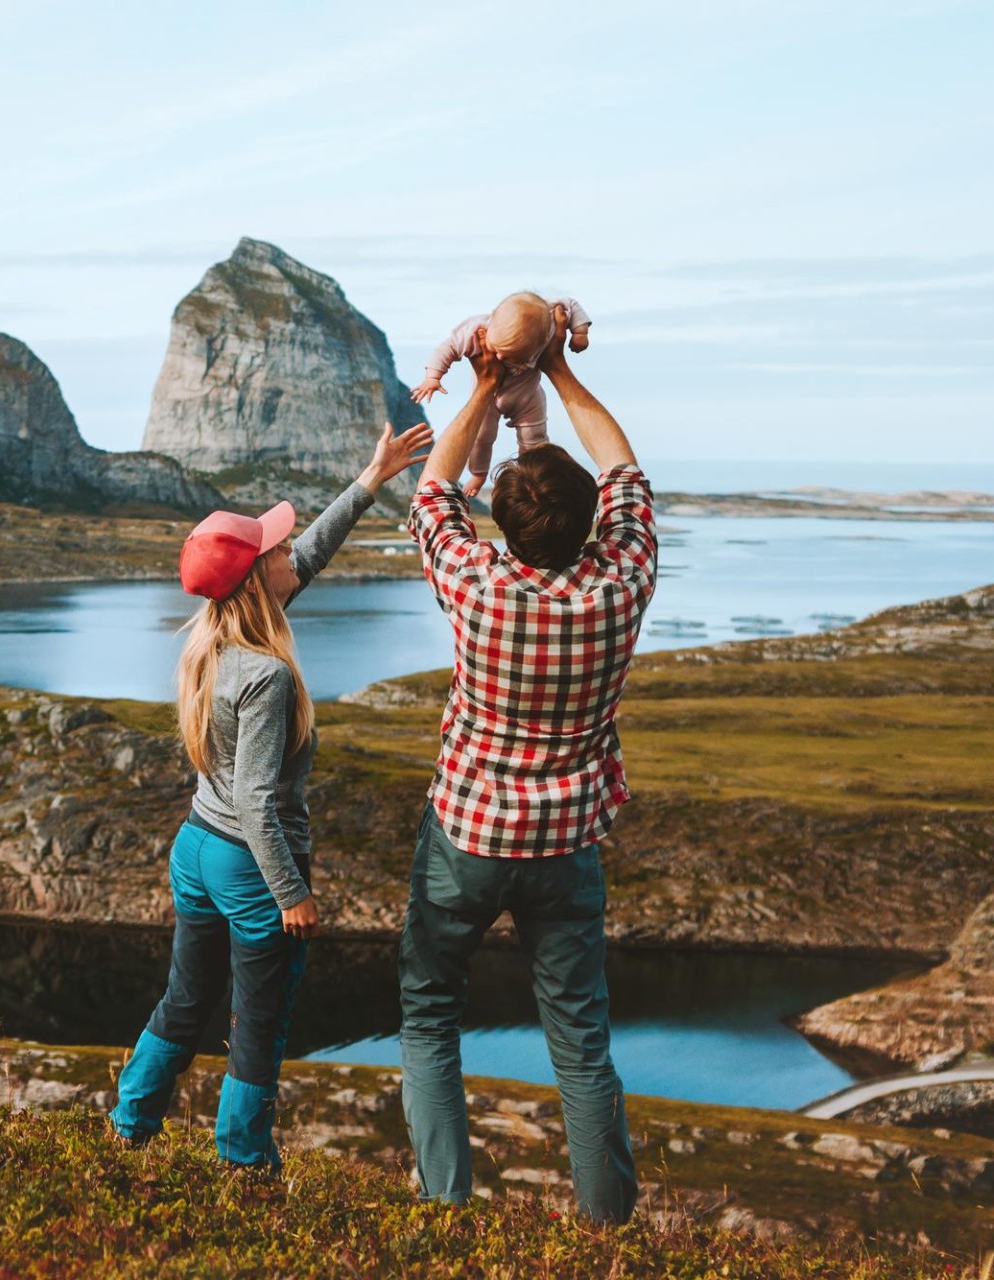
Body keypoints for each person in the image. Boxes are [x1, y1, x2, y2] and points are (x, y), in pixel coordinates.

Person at [109, 421, 435, 1172]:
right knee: (258, 1022)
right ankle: (244, 1160)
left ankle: (130, 1125)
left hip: (195, 848)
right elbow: (258, 800)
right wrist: (292, 893)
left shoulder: (215, 638)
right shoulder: (268, 674)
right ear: (256, 578)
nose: (290, 551)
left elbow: (306, 557)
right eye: (275, 548)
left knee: (185, 1000)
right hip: (250, 864)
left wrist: (370, 479)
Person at [399, 305, 655, 1224]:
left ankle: (445, 1211)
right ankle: (604, 1232)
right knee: (580, 1043)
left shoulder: (475, 581)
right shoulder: (617, 584)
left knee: (428, 1014)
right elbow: (624, 470)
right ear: (589, 523)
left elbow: (432, 492)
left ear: (501, 522)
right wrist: (561, 374)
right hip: (565, 841)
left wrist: (479, 385)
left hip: (465, 830)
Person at [411, 292, 592, 497]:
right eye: (496, 348)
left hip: (528, 396)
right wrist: (433, 377)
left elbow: (571, 304)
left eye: (511, 356)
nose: (498, 357)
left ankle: (530, 475)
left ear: (541, 339)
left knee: (534, 438)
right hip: (489, 400)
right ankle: (478, 473)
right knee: (481, 438)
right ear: (492, 318)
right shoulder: (475, 328)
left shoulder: (546, 322)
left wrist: (580, 331)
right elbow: (448, 348)